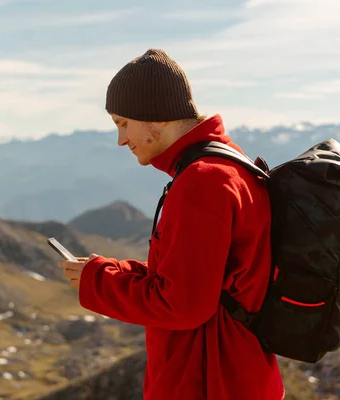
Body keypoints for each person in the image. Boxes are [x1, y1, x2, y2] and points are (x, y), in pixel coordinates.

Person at [58, 48, 285, 400]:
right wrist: (111, 270)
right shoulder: (230, 165)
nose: (121, 140)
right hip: (238, 375)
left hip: (207, 382)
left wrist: (100, 283)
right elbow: (201, 278)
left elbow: (182, 305)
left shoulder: (202, 181)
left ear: (155, 117)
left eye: (122, 123)